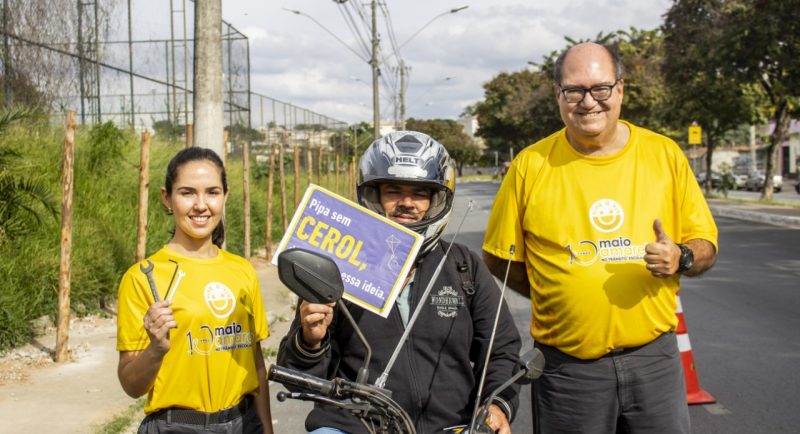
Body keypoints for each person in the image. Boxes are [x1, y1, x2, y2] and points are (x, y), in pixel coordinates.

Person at [482, 42, 719, 433]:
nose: (588, 101)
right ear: (558, 95)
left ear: (621, 90)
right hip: (567, 371)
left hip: (654, 361)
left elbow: (706, 243)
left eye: (601, 88)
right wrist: (556, 291)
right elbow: (499, 257)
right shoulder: (530, 165)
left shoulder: (664, 155)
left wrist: (682, 257)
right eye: (574, 90)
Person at [277, 131, 522, 433]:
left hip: (450, 426)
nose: (406, 203)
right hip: (355, 426)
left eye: (420, 193)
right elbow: (295, 374)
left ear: (436, 199)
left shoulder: (463, 266)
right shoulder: (341, 265)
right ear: (373, 196)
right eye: (393, 191)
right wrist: (310, 338)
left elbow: (501, 349)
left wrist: (497, 405)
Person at [117, 147, 274, 434]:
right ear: (167, 198)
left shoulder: (243, 271)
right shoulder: (142, 278)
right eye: (187, 193)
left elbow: (257, 365)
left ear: (225, 196)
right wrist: (156, 349)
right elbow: (130, 385)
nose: (201, 205)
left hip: (244, 423)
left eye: (212, 192)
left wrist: (266, 428)